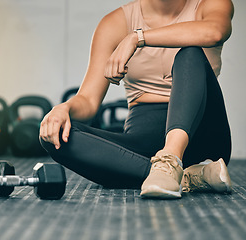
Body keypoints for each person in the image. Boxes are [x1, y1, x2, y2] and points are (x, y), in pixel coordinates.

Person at [39, 0, 234, 199]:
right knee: (55, 135)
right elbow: (88, 101)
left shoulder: (210, 4)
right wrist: (63, 109)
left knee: (190, 52)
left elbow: (215, 31)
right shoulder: (114, 23)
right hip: (145, 146)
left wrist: (137, 38)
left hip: (203, 135)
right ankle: (188, 178)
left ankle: (170, 158)